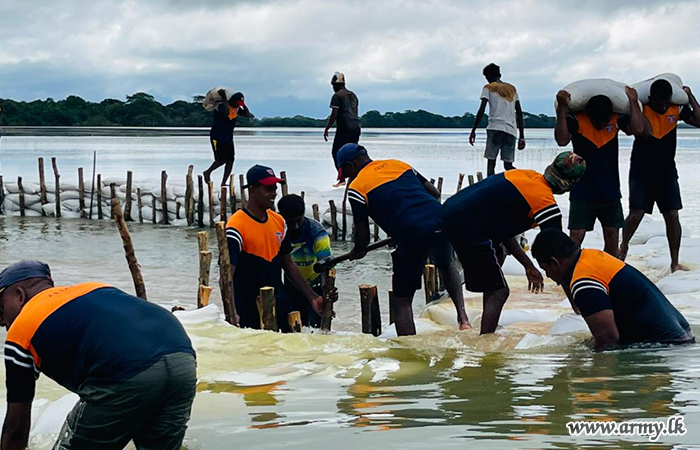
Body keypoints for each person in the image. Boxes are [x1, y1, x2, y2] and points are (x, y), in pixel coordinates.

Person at [0, 260, 196, 449]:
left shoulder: (22, 328)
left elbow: (16, 428)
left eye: (0, 310)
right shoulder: (95, 288)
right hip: (182, 357)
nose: (1, 322)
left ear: (19, 296)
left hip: (126, 370)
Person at [438, 152, 587, 334]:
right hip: (466, 223)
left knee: (496, 262)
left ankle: (486, 326)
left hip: (449, 210)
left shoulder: (525, 175)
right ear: (569, 185)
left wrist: (529, 266)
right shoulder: (545, 203)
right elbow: (559, 257)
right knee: (499, 290)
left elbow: (503, 232)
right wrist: (577, 306)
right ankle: (486, 340)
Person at [338, 143, 469, 336]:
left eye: (346, 174)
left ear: (350, 165)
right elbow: (434, 193)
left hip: (410, 231)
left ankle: (410, 348)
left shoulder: (356, 188)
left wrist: (358, 251)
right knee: (446, 265)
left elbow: (362, 235)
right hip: (441, 220)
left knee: (402, 301)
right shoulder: (399, 165)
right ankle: (463, 320)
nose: (348, 178)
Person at [532, 229, 694, 351]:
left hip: (666, 347)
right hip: (683, 337)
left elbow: (608, 341)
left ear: (555, 262)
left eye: (546, 269)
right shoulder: (593, 257)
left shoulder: (583, 282)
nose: (548, 276)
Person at [226, 165, 334, 332]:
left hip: (279, 300)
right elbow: (227, 275)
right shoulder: (236, 226)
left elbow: (288, 264)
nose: (274, 193)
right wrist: (232, 312)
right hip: (248, 304)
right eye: (268, 189)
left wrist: (313, 298)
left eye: (275, 188)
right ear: (252, 190)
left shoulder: (278, 221)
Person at [555, 87, 645, 257]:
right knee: (576, 237)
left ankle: (609, 271)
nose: (601, 124)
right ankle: (570, 270)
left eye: (605, 121)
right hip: (582, 190)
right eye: (597, 121)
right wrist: (562, 108)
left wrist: (633, 101)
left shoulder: (616, 119)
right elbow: (562, 140)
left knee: (612, 236)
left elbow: (638, 129)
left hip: (610, 190)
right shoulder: (577, 120)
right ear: (589, 115)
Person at [620, 81, 700, 272]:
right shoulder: (640, 110)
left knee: (672, 215)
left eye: (666, 102)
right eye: (659, 103)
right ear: (650, 99)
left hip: (667, 172)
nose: (663, 107)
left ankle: (674, 261)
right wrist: (634, 102)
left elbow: (698, 121)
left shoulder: (676, 110)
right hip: (641, 172)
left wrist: (690, 97)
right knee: (636, 214)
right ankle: (623, 246)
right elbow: (637, 130)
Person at [277, 194, 332, 327]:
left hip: (316, 285)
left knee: (317, 328)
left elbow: (326, 265)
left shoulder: (318, 233)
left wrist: (328, 290)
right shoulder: (278, 232)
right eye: (290, 222)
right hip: (292, 285)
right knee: (292, 327)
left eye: (298, 221)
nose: (295, 226)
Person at [469, 63, 526, 177]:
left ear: (489, 76)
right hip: (510, 130)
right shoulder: (512, 89)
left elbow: (481, 110)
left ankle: (491, 186)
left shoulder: (488, 88)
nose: (487, 80)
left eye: (486, 77)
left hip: (495, 128)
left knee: (491, 163)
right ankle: (521, 179)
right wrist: (522, 136)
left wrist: (473, 130)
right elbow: (519, 113)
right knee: (508, 166)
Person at [203, 90, 254, 187]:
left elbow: (248, 114)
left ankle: (223, 182)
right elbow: (226, 111)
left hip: (228, 137)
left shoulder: (236, 109)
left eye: (239, 104)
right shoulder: (220, 106)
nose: (237, 105)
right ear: (232, 100)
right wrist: (224, 98)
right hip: (217, 137)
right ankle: (207, 172)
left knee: (230, 160)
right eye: (237, 103)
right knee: (221, 159)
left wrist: (243, 105)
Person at [324, 72, 361, 186]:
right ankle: (354, 178)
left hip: (345, 127)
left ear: (335, 85)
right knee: (352, 153)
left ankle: (342, 179)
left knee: (336, 152)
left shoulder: (337, 96)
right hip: (356, 127)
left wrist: (327, 128)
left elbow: (334, 113)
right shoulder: (353, 95)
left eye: (333, 86)